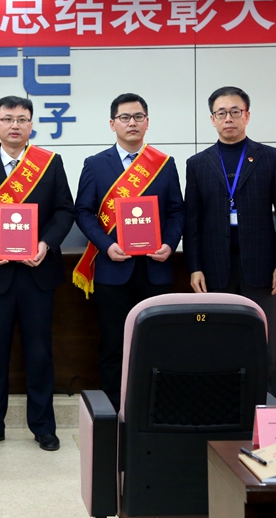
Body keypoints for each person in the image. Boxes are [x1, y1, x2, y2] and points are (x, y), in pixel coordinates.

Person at [0, 95, 75, 452]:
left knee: (39, 353)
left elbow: (64, 211)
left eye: (22, 119)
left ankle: (44, 427)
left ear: (31, 125)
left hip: (38, 272)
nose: (15, 125)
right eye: (7, 119)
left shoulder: (49, 163)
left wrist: (46, 244)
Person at [185, 86, 276, 398]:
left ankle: (269, 406)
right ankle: (221, 404)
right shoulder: (198, 164)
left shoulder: (270, 158)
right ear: (212, 119)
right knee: (219, 339)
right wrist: (194, 267)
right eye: (221, 113)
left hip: (261, 266)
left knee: (265, 341)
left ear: (247, 116)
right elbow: (192, 221)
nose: (228, 118)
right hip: (214, 267)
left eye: (235, 112)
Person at [73, 93, 185, 411]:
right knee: (113, 344)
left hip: (155, 268)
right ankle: (114, 412)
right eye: (124, 117)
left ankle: (156, 409)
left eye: (138, 117)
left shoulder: (163, 164)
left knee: (157, 343)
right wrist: (106, 245)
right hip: (113, 270)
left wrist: (170, 243)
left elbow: (177, 211)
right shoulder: (95, 164)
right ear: (113, 124)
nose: (131, 123)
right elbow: (83, 212)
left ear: (147, 122)